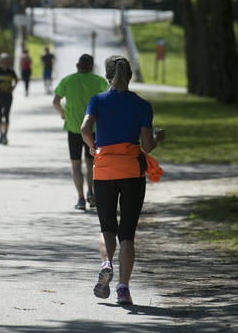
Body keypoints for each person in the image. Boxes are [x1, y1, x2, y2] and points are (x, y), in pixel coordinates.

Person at [80, 55, 165, 306]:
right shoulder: (142, 105)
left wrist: (94, 149)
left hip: (104, 170)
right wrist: (160, 137)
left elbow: (85, 129)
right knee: (127, 234)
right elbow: (147, 146)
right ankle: (123, 289)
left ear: (107, 76)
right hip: (131, 172)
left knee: (107, 227)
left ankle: (106, 263)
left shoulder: (97, 100)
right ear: (130, 76)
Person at [53, 54, 107, 211]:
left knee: (76, 164)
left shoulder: (68, 80)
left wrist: (62, 113)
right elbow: (109, 97)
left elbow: (55, 102)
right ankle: (91, 192)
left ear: (77, 65)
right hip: (93, 128)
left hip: (73, 128)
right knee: (91, 162)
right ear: (92, 66)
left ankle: (81, 199)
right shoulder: (98, 81)